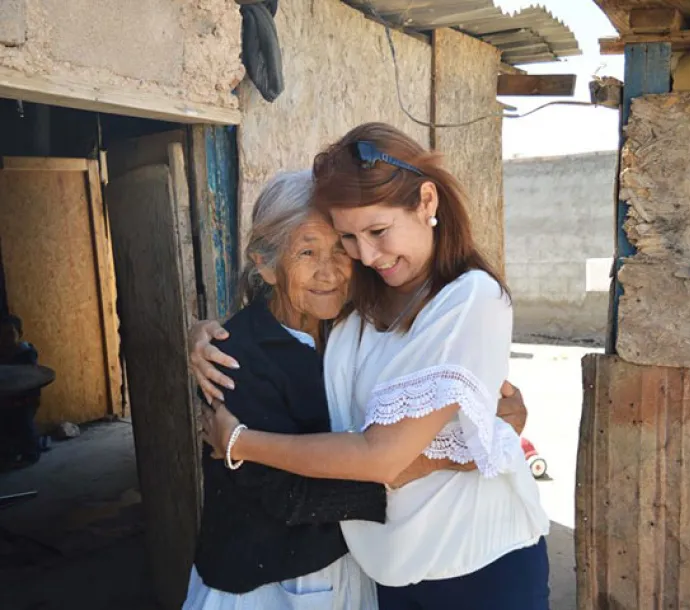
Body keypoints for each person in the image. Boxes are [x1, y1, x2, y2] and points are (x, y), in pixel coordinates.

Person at [195, 123, 550, 609]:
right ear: (266, 264)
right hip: (337, 574)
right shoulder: (326, 321)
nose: (358, 258)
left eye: (349, 245)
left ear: (427, 203)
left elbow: (386, 449)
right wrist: (203, 333)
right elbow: (295, 492)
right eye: (343, 242)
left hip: (465, 559)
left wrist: (238, 442)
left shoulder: (440, 300)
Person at [0, 314, 42, 466]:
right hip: (7, 397)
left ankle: (31, 453)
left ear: (19, 334)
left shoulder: (26, 353)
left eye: (10, 333)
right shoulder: (2, 354)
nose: (5, 339)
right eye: (1, 335)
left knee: (24, 421)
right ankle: (9, 453)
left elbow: (32, 378)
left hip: (25, 398)